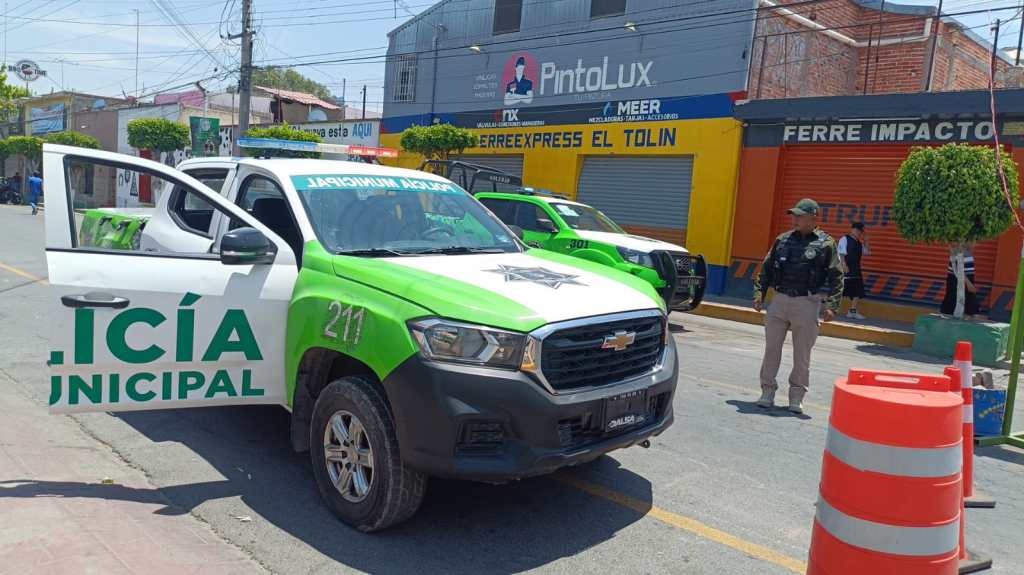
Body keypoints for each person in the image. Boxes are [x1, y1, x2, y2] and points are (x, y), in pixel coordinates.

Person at [753, 198, 844, 414]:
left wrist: (832, 305)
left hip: (807, 302)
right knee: (771, 349)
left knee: (802, 354)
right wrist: (759, 293)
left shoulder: (826, 244)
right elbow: (765, 269)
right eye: (794, 215)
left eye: (800, 216)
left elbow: (837, 276)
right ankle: (767, 391)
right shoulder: (782, 240)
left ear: (813, 218)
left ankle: (796, 396)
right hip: (780, 300)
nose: (795, 219)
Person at [837, 221, 870, 320]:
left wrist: (866, 241)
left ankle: (852, 312)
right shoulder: (845, 239)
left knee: (857, 292)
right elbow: (841, 253)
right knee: (839, 290)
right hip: (846, 269)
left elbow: (867, 252)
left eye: (861, 231)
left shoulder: (859, 243)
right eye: (858, 230)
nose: (859, 233)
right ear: (853, 229)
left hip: (856, 270)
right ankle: (829, 308)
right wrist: (844, 265)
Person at [940, 243, 979, 318]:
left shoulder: (968, 252)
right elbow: (958, 269)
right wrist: (968, 283)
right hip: (958, 280)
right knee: (953, 302)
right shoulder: (958, 252)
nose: (974, 244)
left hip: (966, 279)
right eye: (972, 241)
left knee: (970, 304)